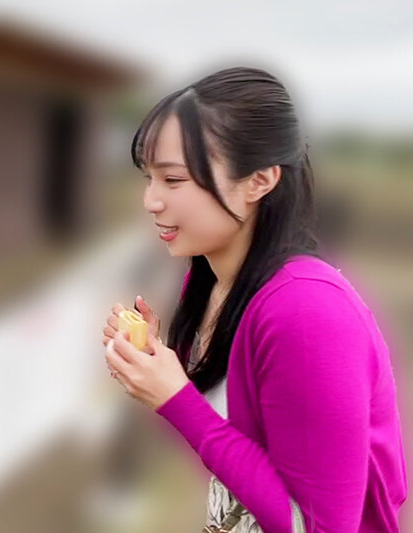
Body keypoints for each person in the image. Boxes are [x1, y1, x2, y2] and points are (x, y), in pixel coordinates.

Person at [101, 66, 407, 532]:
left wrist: (177, 397)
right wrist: (155, 374)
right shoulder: (211, 282)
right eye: (149, 178)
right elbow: (227, 456)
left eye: (174, 180)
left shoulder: (307, 313)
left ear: (260, 181)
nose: (151, 200)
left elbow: (320, 526)